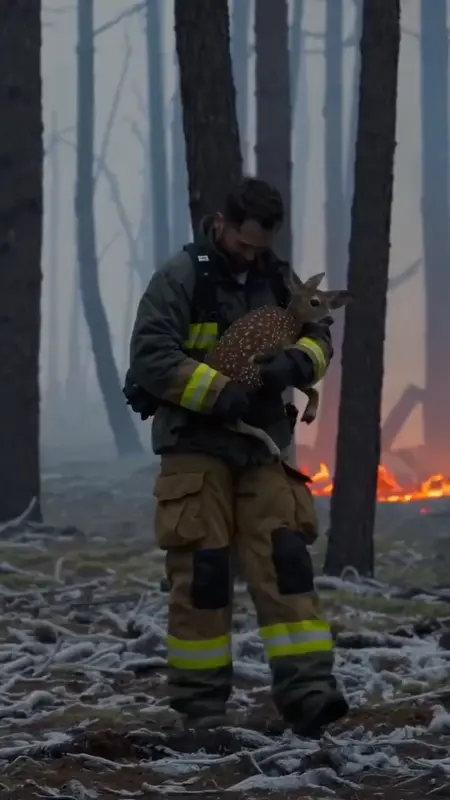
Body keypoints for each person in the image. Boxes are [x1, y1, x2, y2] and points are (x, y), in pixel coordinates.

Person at [126, 177, 348, 737]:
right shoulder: (180, 278)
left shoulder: (280, 279)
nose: (250, 255)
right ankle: (201, 709)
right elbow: (152, 356)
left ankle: (311, 695)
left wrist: (299, 364)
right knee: (201, 575)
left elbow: (320, 335)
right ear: (220, 222)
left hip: (265, 446)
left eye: (259, 246)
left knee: (287, 562)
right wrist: (220, 392)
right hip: (195, 450)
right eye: (242, 243)